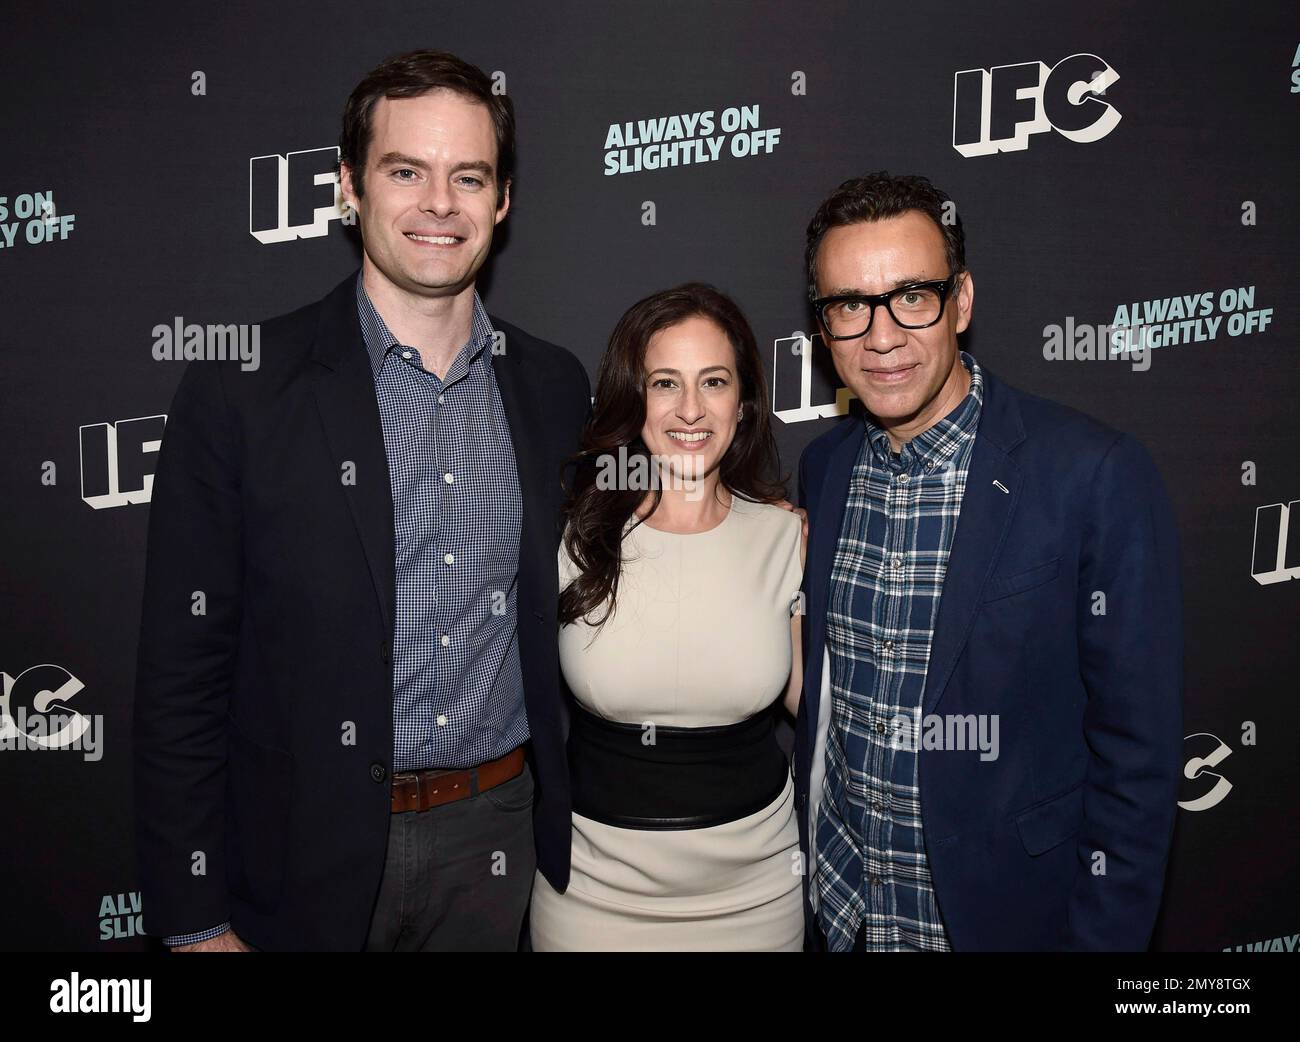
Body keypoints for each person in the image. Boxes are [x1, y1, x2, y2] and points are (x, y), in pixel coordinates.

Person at [132, 50, 590, 951]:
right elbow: (180, 680)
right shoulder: (242, 390)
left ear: (501, 201)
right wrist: (192, 923)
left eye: (469, 176)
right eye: (405, 171)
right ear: (349, 187)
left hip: (499, 845)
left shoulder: (554, 387)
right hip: (303, 850)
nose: (438, 204)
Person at [793, 172, 1183, 951]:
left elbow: (1136, 761)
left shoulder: (1091, 474)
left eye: (913, 295)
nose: (881, 335)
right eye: (849, 306)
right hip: (845, 919)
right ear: (823, 327)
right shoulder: (824, 467)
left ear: (961, 300)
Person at [528, 284, 806, 951]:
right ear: (634, 399)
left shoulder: (785, 536)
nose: (690, 409)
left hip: (758, 895)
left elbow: (820, 709)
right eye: (665, 383)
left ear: (743, 404)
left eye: (713, 381)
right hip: (592, 897)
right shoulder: (572, 536)